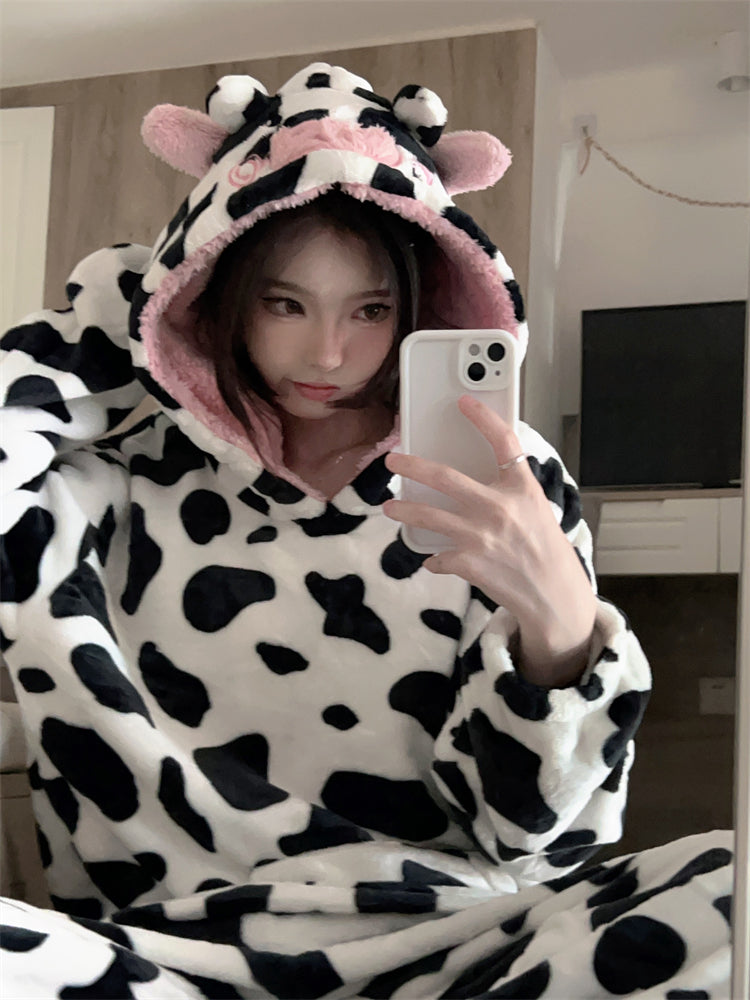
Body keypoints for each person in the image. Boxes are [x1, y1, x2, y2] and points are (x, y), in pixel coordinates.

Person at [0, 62, 733, 998]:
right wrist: (118, 317)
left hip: (470, 947)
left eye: (373, 309)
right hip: (170, 960)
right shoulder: (97, 489)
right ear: (216, 293)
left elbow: (538, 840)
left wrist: (560, 634)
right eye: (283, 303)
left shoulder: (504, 474)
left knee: (729, 890)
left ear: (425, 306)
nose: (329, 353)